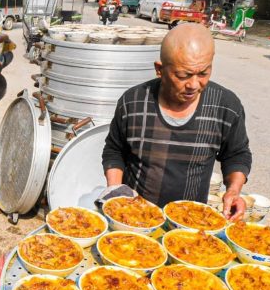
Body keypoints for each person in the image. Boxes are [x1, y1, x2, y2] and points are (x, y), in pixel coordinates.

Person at [101, 23, 252, 220]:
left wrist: (233, 191)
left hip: (190, 222)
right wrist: (116, 192)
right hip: (134, 218)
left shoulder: (226, 105)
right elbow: (114, 150)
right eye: (183, 75)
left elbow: (237, 155)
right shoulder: (133, 101)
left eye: (203, 73)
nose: (194, 85)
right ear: (160, 70)